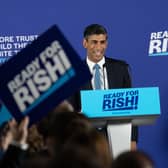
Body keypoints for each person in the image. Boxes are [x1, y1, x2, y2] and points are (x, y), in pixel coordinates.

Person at [69, 23, 138, 150]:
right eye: (94, 42)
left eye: (102, 42)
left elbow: (131, 108)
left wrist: (132, 139)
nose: (99, 47)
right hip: (85, 138)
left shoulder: (120, 68)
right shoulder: (74, 72)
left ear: (107, 43)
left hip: (118, 135)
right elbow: (70, 110)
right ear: (85, 43)